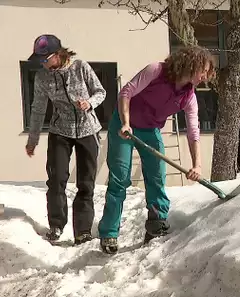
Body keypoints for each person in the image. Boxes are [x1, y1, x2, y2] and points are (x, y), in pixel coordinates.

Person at [97, 45, 216, 254]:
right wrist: (125, 122)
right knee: (120, 178)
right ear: (191, 64)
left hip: (150, 129)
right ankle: (109, 233)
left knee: (157, 176)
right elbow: (126, 92)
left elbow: (193, 132)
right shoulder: (155, 71)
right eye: (203, 70)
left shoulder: (189, 97)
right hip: (124, 126)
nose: (206, 76)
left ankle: (156, 225)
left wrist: (197, 165)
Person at [25, 34, 106, 245]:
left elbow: (101, 92)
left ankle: (83, 231)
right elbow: (38, 109)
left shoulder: (80, 67)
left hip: (88, 129)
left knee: (86, 183)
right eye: (40, 60)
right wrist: (32, 139)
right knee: (56, 180)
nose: (43, 64)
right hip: (60, 131)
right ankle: (56, 225)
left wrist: (89, 103)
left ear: (58, 54)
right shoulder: (42, 77)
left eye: (46, 59)